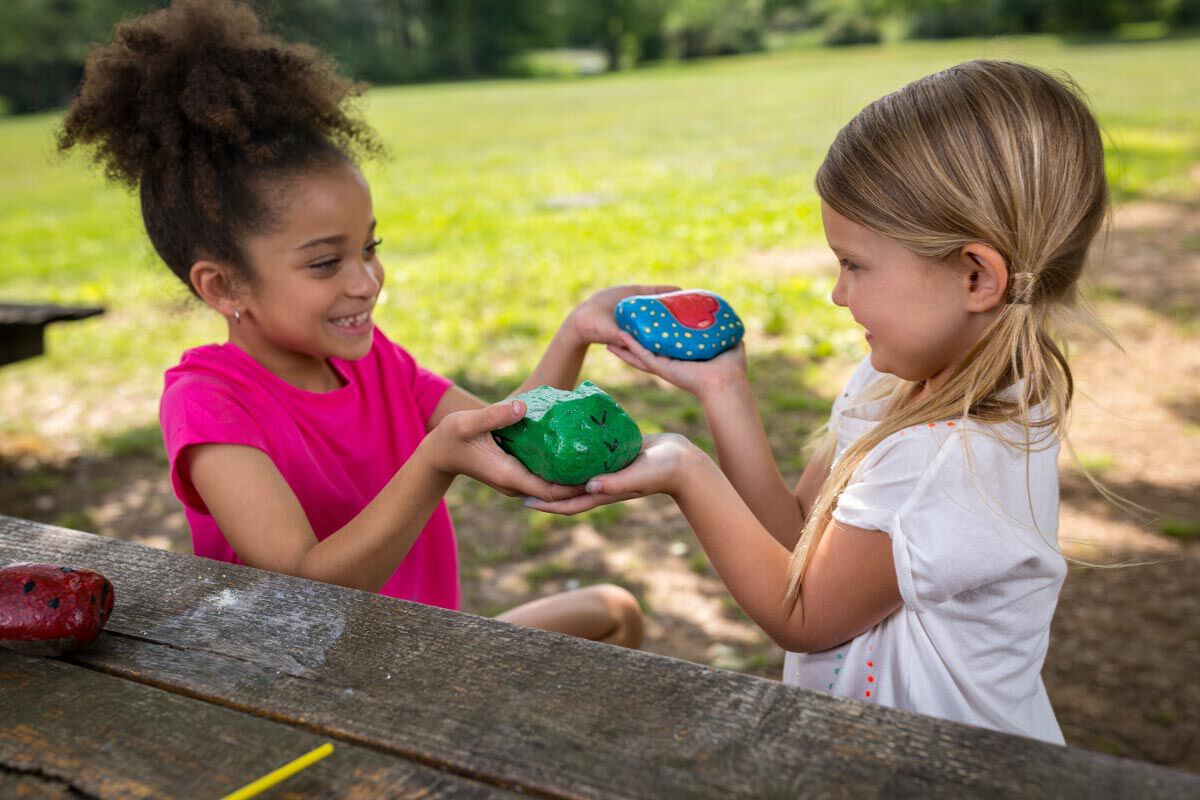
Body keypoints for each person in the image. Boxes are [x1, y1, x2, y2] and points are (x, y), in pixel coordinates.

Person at [530, 60, 1110, 741]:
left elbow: (804, 615)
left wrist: (684, 471)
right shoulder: (895, 383)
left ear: (975, 275)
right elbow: (796, 535)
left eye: (855, 264)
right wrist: (724, 389)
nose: (838, 293)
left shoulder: (954, 457)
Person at [58, 0, 651, 647]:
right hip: (314, 695)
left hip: (423, 654)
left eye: (369, 247)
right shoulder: (207, 404)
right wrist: (432, 465)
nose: (366, 281)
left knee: (615, 611)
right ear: (223, 285)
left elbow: (506, 435)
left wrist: (575, 331)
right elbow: (305, 583)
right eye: (325, 262)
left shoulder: (375, 362)